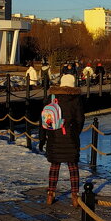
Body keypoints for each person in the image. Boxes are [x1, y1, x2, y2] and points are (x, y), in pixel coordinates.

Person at [40, 72, 84, 206]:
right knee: (73, 167)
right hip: (70, 136)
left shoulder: (51, 97)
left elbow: (42, 118)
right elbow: (80, 119)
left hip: (54, 135)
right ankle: (75, 196)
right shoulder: (75, 99)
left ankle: (50, 194)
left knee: (55, 165)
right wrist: (75, 132)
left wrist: (43, 137)